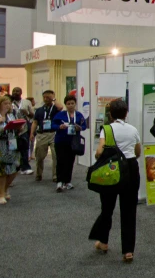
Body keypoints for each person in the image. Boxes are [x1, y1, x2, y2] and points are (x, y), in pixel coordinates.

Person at [88, 99, 141, 264]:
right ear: (126, 113)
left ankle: (103, 242)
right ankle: (128, 251)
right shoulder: (133, 129)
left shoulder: (107, 129)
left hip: (112, 170)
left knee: (107, 208)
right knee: (129, 210)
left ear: (110, 114)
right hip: (131, 168)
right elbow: (137, 151)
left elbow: (99, 152)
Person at [52, 95, 87, 192]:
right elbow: (53, 125)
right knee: (60, 161)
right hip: (61, 141)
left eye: (72, 103)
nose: (70, 105)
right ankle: (60, 181)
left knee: (70, 161)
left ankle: (67, 181)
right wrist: (60, 126)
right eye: (68, 104)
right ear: (65, 104)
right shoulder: (60, 115)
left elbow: (84, 125)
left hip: (73, 142)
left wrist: (79, 127)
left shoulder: (79, 115)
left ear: (75, 104)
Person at [30, 90, 61, 182]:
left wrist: (54, 99)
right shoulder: (39, 110)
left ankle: (55, 175)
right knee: (39, 156)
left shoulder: (55, 108)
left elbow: (60, 106)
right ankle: (39, 174)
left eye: (48, 97)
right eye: (44, 97)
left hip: (53, 133)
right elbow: (35, 122)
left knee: (55, 156)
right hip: (42, 134)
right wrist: (32, 133)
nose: (46, 99)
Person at [11, 87, 34, 175]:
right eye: (14, 91)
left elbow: (32, 115)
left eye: (17, 91)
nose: (15, 92)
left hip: (23, 128)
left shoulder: (26, 102)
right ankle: (14, 166)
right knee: (12, 148)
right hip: (12, 130)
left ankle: (25, 167)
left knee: (24, 148)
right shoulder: (9, 102)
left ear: (21, 92)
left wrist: (26, 113)